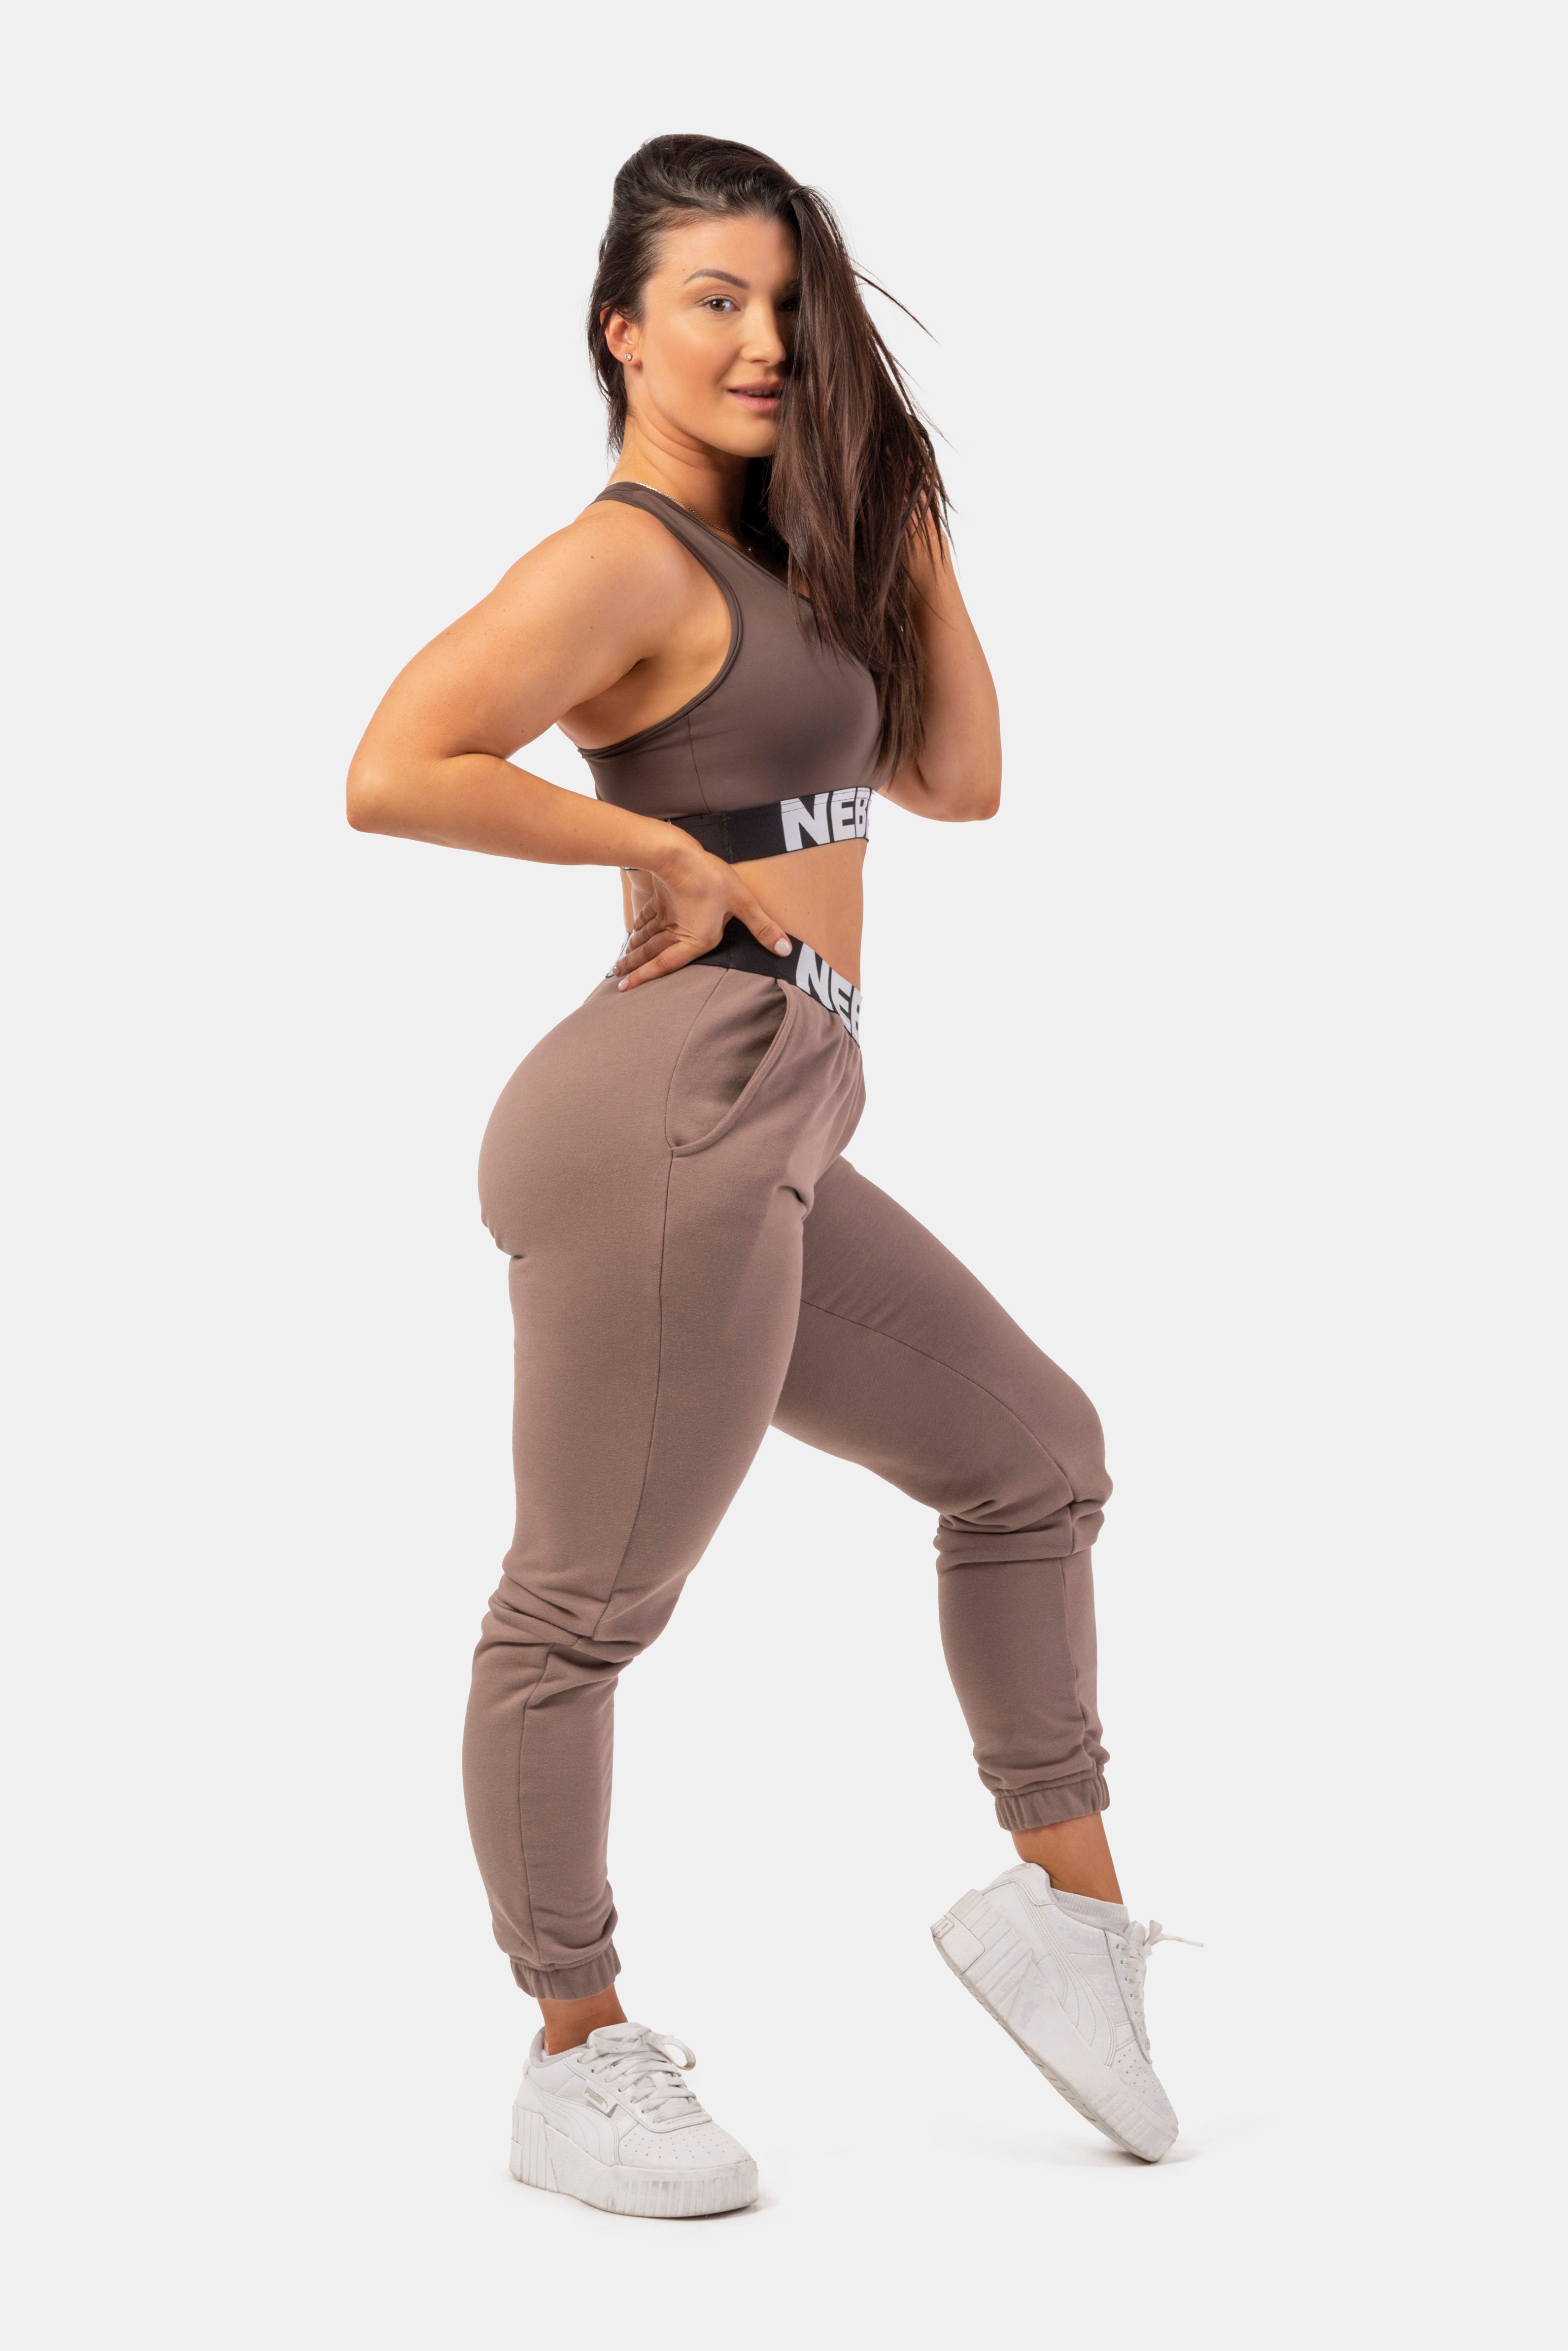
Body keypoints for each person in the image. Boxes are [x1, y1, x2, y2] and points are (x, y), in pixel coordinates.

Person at [347, 133, 1193, 2216]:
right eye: (713, 299)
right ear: (622, 331)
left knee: (1035, 1459)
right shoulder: (625, 559)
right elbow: (395, 763)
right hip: (669, 1099)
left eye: (790, 306)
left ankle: (1070, 1922)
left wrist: (899, 507)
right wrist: (643, 840)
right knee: (582, 1604)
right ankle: (575, 2050)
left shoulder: (796, 561)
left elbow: (960, 779)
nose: (760, 339)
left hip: (782, 1102)